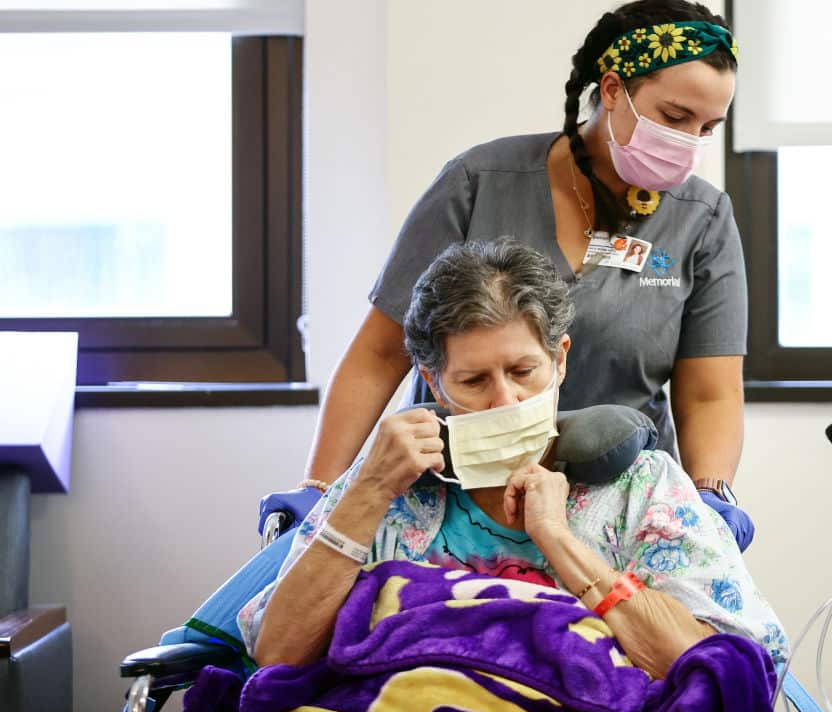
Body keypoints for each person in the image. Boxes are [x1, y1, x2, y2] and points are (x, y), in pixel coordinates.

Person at [300, 1, 750, 534]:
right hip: (454, 502)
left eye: (707, 127)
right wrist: (319, 492)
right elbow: (378, 354)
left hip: (618, 508)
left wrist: (709, 494)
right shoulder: (479, 183)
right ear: (611, 91)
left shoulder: (701, 219)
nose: (688, 142)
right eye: (675, 118)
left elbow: (710, 392)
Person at [242, 242, 787, 679]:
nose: (505, 401)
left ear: (560, 360)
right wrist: (365, 493)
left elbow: (723, 668)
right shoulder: (392, 491)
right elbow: (279, 655)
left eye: (524, 371)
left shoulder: (643, 488)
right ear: (433, 381)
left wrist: (561, 542)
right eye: (474, 381)